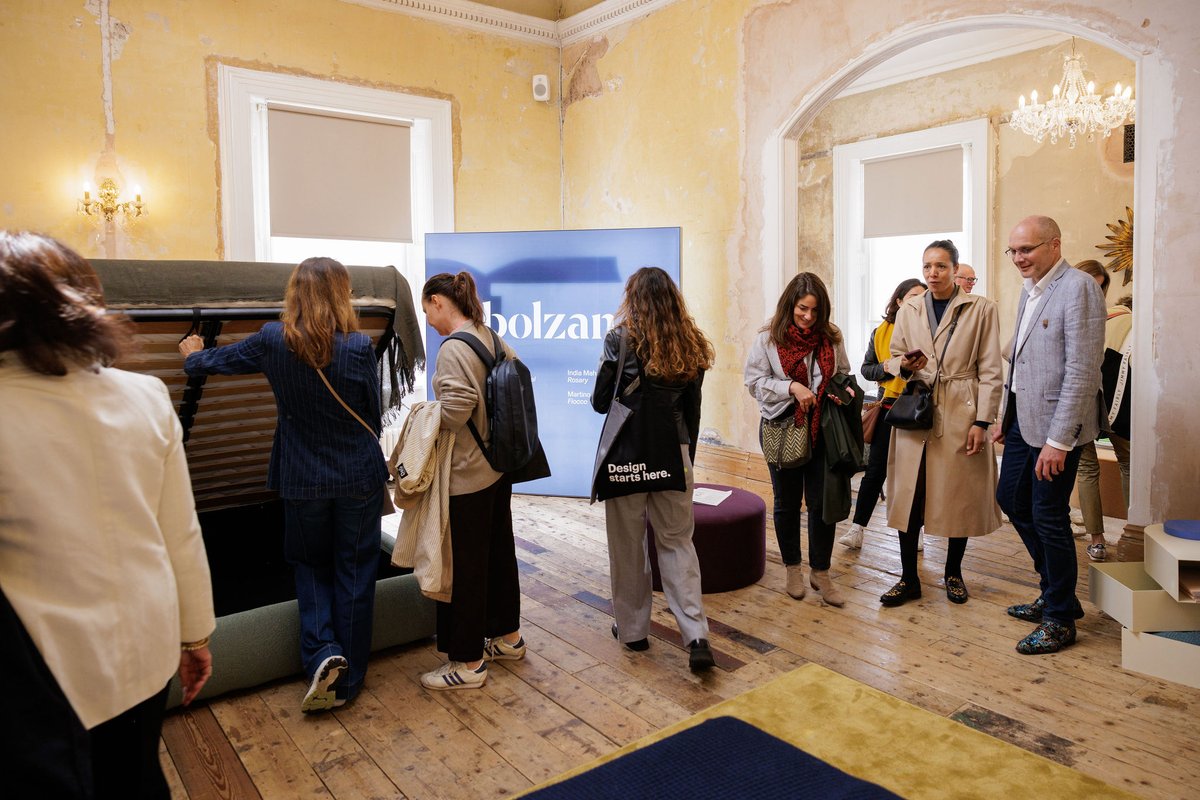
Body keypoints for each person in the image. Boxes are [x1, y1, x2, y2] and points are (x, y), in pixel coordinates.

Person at [1, 232, 214, 797]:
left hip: (47, 675)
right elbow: (181, 535)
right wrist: (194, 639)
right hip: (147, 645)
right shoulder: (146, 395)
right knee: (139, 776)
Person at [181, 256, 387, 710]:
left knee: (309, 566)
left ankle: (322, 655)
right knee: (355, 574)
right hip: (358, 476)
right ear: (341, 294)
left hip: (302, 477)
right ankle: (348, 682)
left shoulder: (274, 340)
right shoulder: (357, 346)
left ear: (295, 293)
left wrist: (193, 353)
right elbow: (372, 415)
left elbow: (212, 364)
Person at [592, 267, 716, 672]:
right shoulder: (690, 342)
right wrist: (688, 459)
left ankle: (633, 632)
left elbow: (599, 402)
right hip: (673, 453)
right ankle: (696, 634)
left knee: (627, 546)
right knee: (678, 543)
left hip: (627, 454)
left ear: (633, 298)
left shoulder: (619, 339)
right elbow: (692, 414)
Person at [995, 216, 1106, 655]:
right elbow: (1021, 362)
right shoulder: (1032, 289)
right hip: (1023, 419)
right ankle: (1056, 592)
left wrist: (1059, 441)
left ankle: (1060, 618)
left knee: (1049, 516)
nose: (1019, 258)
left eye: (1028, 249)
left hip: (1058, 427)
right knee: (1011, 499)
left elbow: (1082, 369)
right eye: (1014, 251)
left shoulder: (1079, 287)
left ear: (1054, 245)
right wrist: (1006, 416)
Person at [880, 240, 1003, 608]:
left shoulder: (980, 309)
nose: (933, 274)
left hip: (961, 409)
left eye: (941, 267)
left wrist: (983, 420)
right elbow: (894, 356)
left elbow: (991, 369)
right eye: (927, 267)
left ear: (955, 268)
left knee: (958, 495)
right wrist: (904, 364)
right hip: (917, 409)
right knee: (908, 497)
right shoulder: (910, 308)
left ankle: (953, 573)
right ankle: (908, 578)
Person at [418, 271, 526, 690]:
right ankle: (508, 638)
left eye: (426, 309)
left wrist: (429, 415)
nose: (427, 319)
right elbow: (513, 378)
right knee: (499, 553)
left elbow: (457, 407)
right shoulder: (489, 336)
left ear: (438, 301)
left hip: (467, 473)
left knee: (463, 566)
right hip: (499, 468)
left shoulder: (451, 349)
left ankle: (467, 663)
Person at [745, 272, 854, 608]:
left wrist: (843, 388)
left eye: (815, 311)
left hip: (824, 430)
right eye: (802, 309)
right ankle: (793, 567)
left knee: (824, 504)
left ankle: (820, 571)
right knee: (787, 502)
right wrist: (791, 387)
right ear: (789, 306)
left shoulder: (831, 337)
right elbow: (753, 381)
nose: (808, 317)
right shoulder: (768, 338)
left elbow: (842, 372)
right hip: (782, 429)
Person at [839, 278, 927, 550]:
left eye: (923, 297)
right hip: (888, 407)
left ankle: (916, 529)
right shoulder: (880, 332)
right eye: (913, 296)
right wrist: (890, 367)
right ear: (899, 301)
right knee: (875, 470)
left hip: (920, 408)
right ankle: (857, 528)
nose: (919, 302)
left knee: (914, 474)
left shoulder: (929, 331)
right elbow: (867, 370)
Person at [1071, 259, 1129, 562]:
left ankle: (1135, 536)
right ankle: (1097, 537)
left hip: (1118, 404)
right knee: (1086, 467)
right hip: (1078, 403)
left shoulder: (1118, 318)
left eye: (1099, 285)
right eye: (1087, 283)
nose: (1093, 290)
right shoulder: (1065, 315)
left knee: (1128, 462)